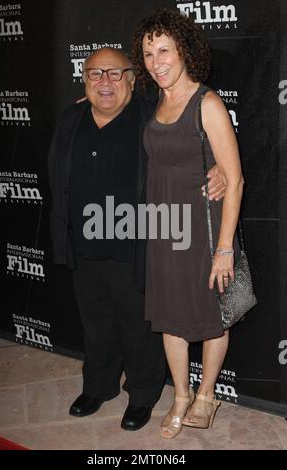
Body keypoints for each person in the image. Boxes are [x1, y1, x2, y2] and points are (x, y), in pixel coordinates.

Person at [47, 46, 226, 431]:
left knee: (138, 325)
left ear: (132, 79)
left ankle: (143, 395)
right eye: (96, 74)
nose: (105, 82)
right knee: (95, 322)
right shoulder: (69, 119)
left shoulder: (150, 116)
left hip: (137, 241)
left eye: (115, 73)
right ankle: (98, 385)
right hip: (83, 240)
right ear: (84, 80)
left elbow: (183, 145)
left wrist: (217, 168)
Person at [132, 8, 244, 438]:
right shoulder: (153, 99)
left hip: (204, 230)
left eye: (164, 50)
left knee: (211, 313)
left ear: (184, 52)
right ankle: (180, 394)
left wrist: (224, 248)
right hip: (164, 229)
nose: (157, 61)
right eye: (148, 53)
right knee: (169, 316)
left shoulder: (207, 102)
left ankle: (206, 395)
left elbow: (234, 181)